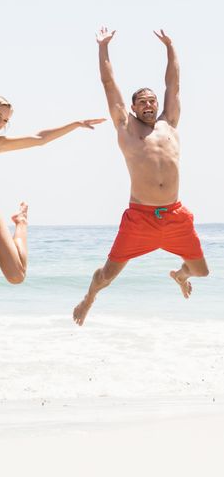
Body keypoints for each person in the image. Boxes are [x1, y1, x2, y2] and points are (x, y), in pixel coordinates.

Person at [0, 29, 104, 288]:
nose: (1, 124)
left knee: (17, 276)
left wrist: (75, 123)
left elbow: (39, 139)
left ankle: (21, 223)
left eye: (6, 121)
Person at [73, 28, 208, 326]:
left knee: (201, 270)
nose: (149, 105)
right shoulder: (126, 128)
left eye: (152, 101)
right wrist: (103, 47)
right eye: (142, 102)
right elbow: (108, 83)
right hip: (140, 217)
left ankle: (179, 275)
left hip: (174, 214)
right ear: (133, 108)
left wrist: (171, 46)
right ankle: (89, 299)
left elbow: (174, 84)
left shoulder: (169, 124)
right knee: (108, 274)